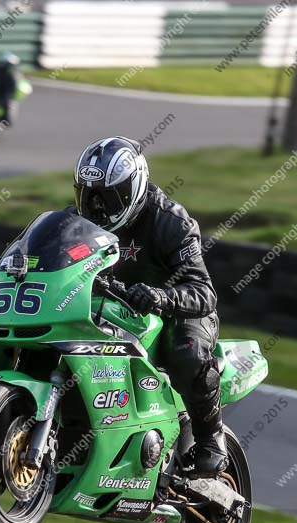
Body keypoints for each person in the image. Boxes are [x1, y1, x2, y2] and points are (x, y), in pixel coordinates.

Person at [73, 136, 228, 477]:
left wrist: (161, 298)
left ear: (133, 189)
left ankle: (210, 438)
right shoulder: (76, 223)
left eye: (107, 197)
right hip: (110, 311)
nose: (97, 208)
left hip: (176, 314)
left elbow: (204, 293)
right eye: (88, 196)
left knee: (187, 351)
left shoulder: (170, 222)